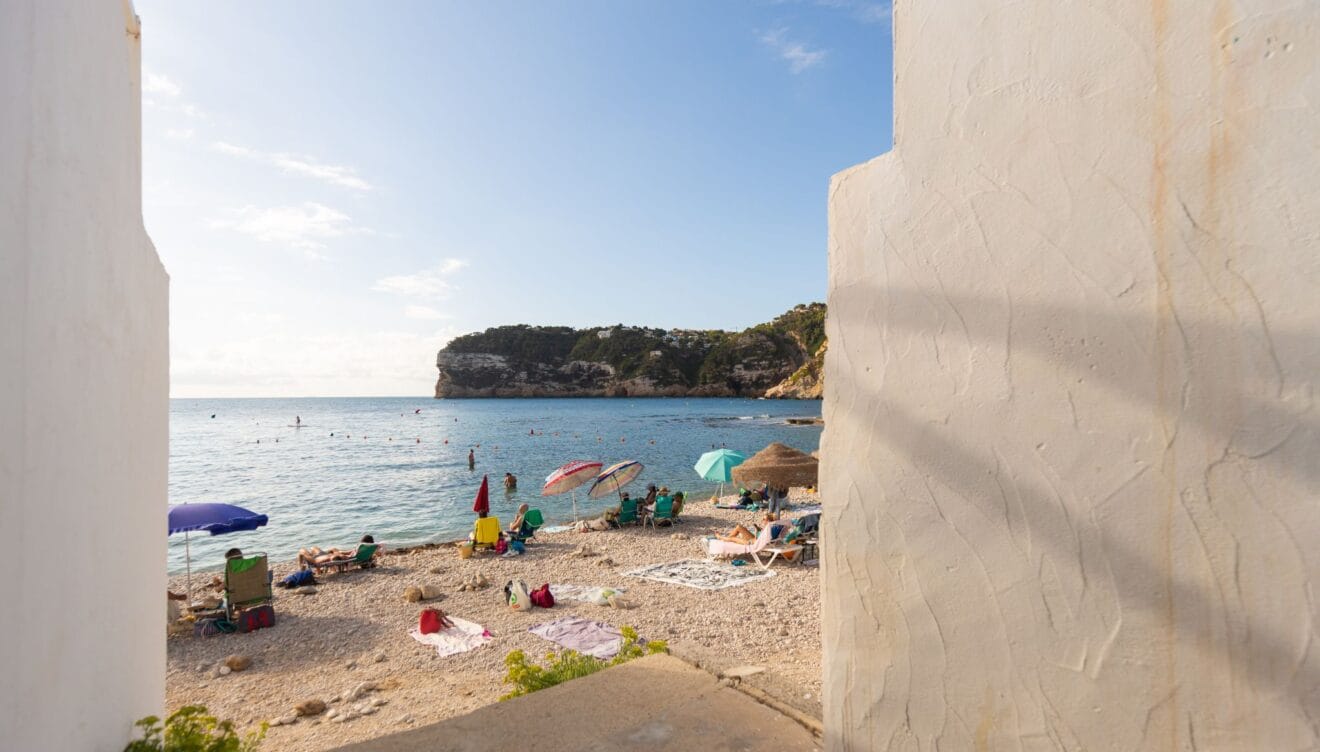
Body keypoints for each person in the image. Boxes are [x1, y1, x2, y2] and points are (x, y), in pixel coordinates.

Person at [298, 535, 376, 569]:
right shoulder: (365, 552)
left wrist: (338, 553)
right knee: (313, 549)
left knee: (304, 550)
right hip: (325, 556)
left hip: (321, 557)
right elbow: (342, 556)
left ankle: (302, 569)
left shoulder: (357, 551)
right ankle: (306, 568)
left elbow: (341, 556)